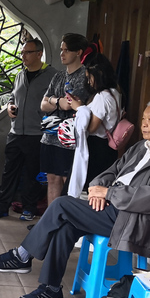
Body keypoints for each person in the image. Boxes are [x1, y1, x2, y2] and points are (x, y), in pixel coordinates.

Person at [0, 98, 150, 298]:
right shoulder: (143, 146)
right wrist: (97, 189)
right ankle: (51, 289)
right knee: (66, 225)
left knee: (61, 205)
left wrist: (109, 194)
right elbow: (114, 170)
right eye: (143, 118)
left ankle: (22, 256)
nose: (144, 124)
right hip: (115, 206)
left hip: (136, 219)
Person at [0, 39, 56, 221]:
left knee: (31, 174)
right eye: (22, 52)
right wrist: (10, 106)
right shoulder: (20, 75)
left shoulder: (52, 75)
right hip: (16, 132)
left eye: (27, 52)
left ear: (39, 54)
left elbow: (57, 104)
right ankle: (2, 207)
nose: (23, 56)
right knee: (9, 171)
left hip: (37, 134)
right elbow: (13, 96)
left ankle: (29, 208)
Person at [39, 33, 91, 205]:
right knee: (51, 177)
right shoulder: (58, 76)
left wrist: (55, 101)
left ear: (78, 52)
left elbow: (71, 105)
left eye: (67, 50)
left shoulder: (85, 75)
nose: (62, 54)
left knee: (64, 179)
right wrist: (56, 101)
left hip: (69, 137)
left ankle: (62, 220)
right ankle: (49, 220)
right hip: (50, 135)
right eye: (61, 50)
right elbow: (43, 104)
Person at [66, 50, 121, 195]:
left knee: (88, 189)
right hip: (107, 149)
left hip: (96, 148)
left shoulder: (102, 96)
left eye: (90, 78)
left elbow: (91, 127)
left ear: (99, 76)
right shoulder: (115, 92)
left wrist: (79, 108)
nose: (89, 82)